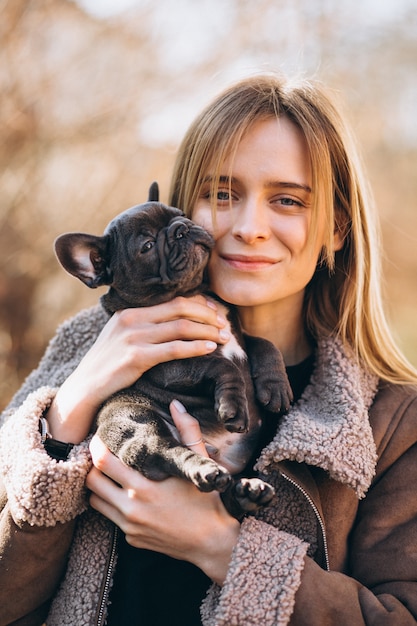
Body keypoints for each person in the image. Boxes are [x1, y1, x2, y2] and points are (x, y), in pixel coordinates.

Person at [1, 73, 417, 626]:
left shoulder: (390, 418)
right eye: (222, 194)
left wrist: (221, 548)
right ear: (183, 209)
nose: (249, 227)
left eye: (288, 200)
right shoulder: (86, 347)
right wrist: (69, 410)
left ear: (336, 228)